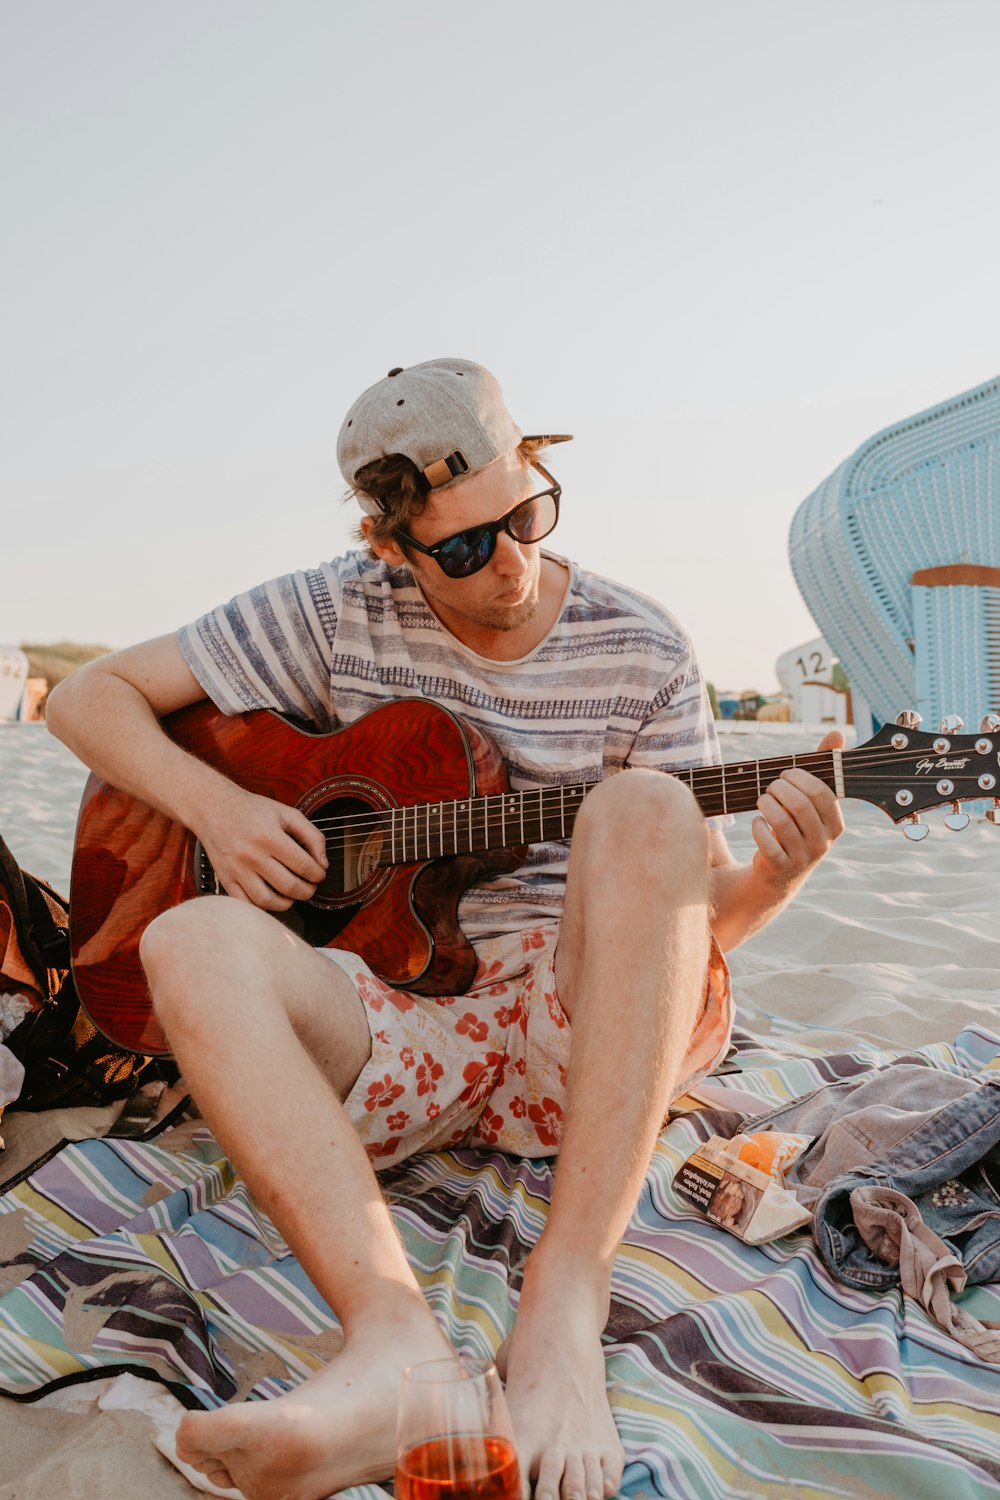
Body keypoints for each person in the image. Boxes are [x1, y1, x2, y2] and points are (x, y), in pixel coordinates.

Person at [47, 358, 845, 1500]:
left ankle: (563, 1303)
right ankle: (393, 1351)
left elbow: (699, 924)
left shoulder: (643, 647)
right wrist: (220, 808)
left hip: (584, 1037)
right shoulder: (332, 606)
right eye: (465, 549)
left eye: (526, 516)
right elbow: (88, 699)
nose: (511, 562)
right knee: (187, 941)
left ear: (539, 474)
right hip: (408, 1020)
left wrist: (777, 872)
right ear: (392, 548)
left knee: (643, 806)